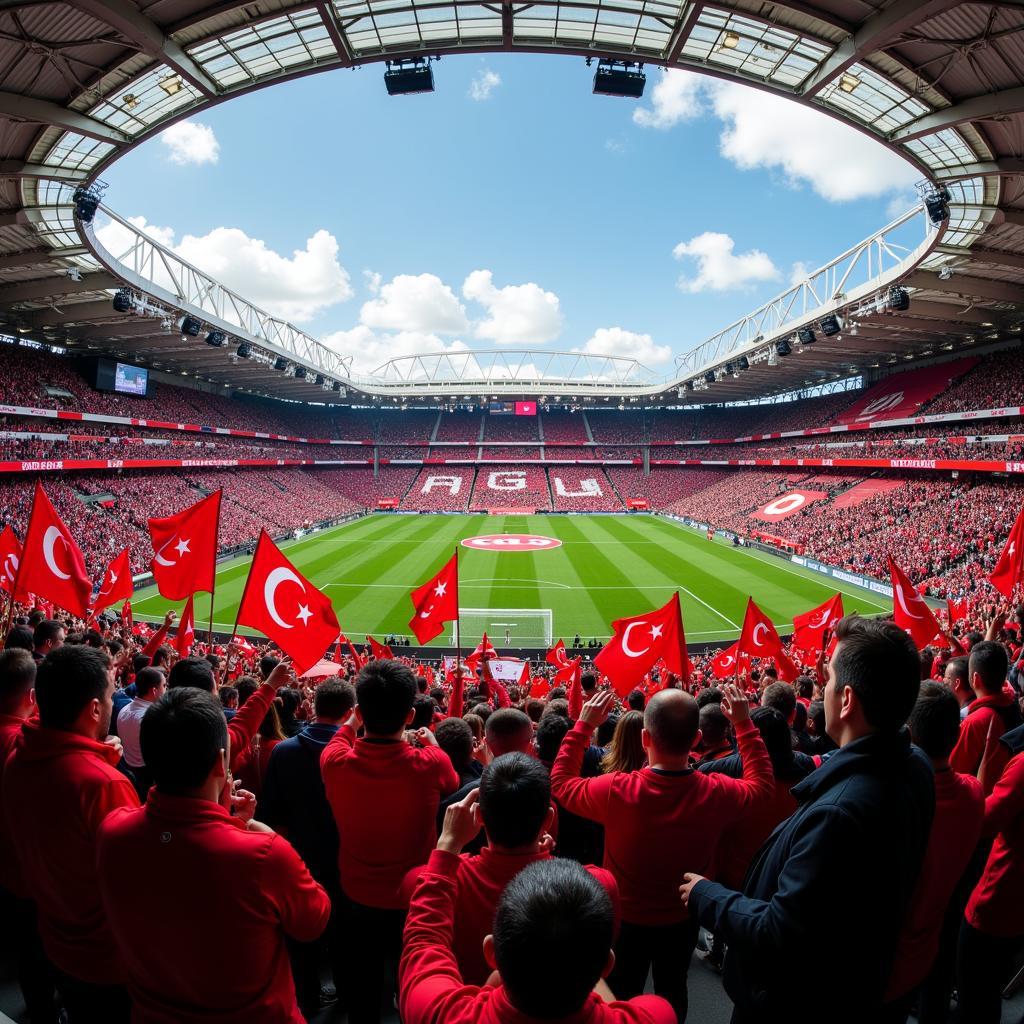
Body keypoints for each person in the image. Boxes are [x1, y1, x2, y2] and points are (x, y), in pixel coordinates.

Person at [680, 615, 935, 1024]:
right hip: (861, 980)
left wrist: (707, 895)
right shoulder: (915, 763)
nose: (823, 685)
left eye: (829, 678)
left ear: (847, 699)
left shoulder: (840, 813)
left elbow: (778, 933)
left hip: (798, 1002)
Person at [95, 687, 330, 1022]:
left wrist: (228, 818)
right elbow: (313, 921)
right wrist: (266, 836)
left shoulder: (112, 831)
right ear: (222, 762)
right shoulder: (264, 854)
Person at [551, 683, 772, 1022]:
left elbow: (561, 784)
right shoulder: (716, 793)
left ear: (644, 739)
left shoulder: (616, 790)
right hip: (684, 916)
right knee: (673, 989)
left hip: (626, 919)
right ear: (696, 738)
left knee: (622, 993)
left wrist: (583, 726)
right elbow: (762, 787)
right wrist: (744, 725)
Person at [399, 798, 675, 1024]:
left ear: (492, 952)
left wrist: (447, 844)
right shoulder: (657, 1015)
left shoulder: (439, 1013)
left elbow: (424, 940)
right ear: (606, 964)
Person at [3, 645, 139, 1021]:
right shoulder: (102, 785)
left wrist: (94, 757)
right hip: (104, 957)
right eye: (111, 695)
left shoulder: (19, 756)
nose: (113, 702)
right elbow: (133, 880)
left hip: (55, 935)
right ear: (95, 709)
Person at [321, 659, 459, 1024]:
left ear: (362, 712)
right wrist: (429, 741)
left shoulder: (334, 762)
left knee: (363, 990)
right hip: (412, 897)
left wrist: (354, 719)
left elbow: (339, 739)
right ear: (410, 715)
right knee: (412, 984)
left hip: (355, 895)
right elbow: (452, 780)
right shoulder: (430, 762)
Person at [401, 752, 617, 985]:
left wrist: (448, 844)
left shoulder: (423, 883)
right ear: (548, 819)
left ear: (479, 816)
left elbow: (422, 937)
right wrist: (547, 857)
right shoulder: (599, 886)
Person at [883, 682, 984, 1024]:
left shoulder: (889, 802)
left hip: (889, 954)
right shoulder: (972, 794)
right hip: (941, 929)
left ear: (908, 734)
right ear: (956, 736)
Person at [261, 678, 356, 1017]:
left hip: (299, 858)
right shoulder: (356, 755)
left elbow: (270, 812)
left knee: (302, 935)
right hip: (349, 862)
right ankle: (347, 998)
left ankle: (309, 997)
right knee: (346, 936)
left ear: (315, 707)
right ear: (350, 713)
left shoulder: (283, 752)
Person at [0, 648, 58, 1023]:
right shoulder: (22, 742)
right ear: (32, 697)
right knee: (35, 950)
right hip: (25, 871)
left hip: (8, 866)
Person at [955, 719, 1024, 1024]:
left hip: (1002, 896)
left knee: (977, 991)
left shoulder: (1022, 766)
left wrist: (978, 781)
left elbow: (983, 821)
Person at [949, 640, 1021, 780]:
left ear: (975, 678)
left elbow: (954, 772)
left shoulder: (975, 722)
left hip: (984, 797)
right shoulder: (1013, 702)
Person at [115, 665, 166, 798]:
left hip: (130, 769)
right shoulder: (150, 719)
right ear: (154, 690)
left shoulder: (124, 709)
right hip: (147, 778)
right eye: (164, 686)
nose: (166, 690)